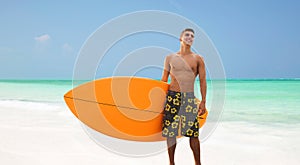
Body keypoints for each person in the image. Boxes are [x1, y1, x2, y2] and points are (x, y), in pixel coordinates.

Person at [161, 28, 207, 165]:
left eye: (192, 36)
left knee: (193, 134)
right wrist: (159, 101)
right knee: (171, 133)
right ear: (180, 38)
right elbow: (163, 80)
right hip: (172, 97)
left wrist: (203, 101)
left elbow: (203, 81)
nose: (190, 37)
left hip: (189, 98)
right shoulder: (170, 58)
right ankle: (171, 163)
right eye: (187, 35)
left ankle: (198, 163)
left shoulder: (198, 59)